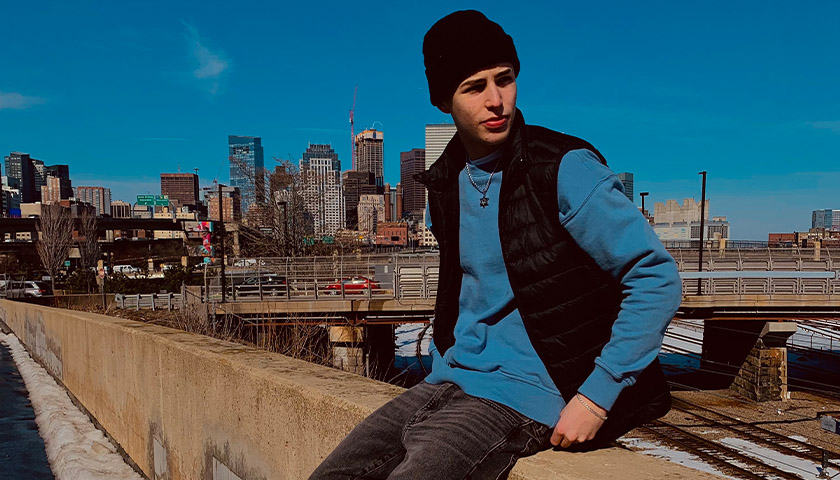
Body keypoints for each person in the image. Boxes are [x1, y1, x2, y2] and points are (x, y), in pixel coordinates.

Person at [310, 10, 682, 479]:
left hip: (530, 392)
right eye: (474, 87)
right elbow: (468, 289)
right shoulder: (446, 181)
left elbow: (655, 278)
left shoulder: (563, 167)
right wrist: (447, 357)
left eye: (503, 80)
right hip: (452, 379)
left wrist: (595, 397)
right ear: (444, 102)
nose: (496, 101)